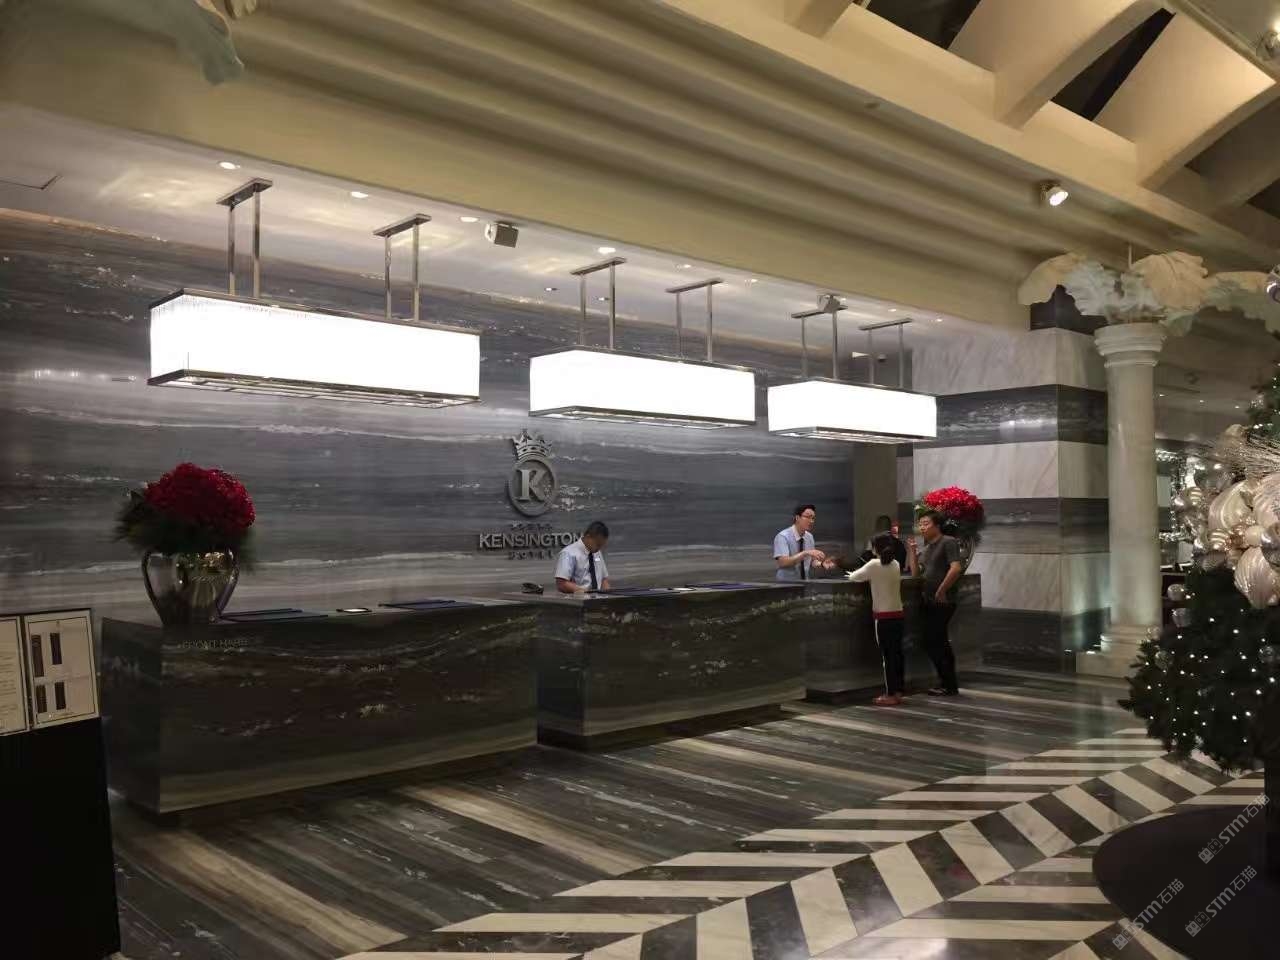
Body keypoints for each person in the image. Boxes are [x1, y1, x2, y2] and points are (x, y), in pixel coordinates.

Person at [847, 532, 910, 706]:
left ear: (876, 547)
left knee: (887, 658)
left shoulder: (874, 564)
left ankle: (890, 694)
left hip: (883, 618)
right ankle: (899, 691)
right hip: (898, 615)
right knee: (897, 655)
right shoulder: (895, 564)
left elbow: (854, 577)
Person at [913, 510, 963, 695]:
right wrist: (912, 552)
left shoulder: (948, 542)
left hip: (943, 600)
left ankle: (948, 684)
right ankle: (947, 683)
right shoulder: (927, 548)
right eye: (920, 524)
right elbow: (916, 574)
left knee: (935, 641)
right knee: (935, 641)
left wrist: (941, 590)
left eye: (926, 523)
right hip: (929, 600)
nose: (922, 527)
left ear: (937, 525)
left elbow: (956, 568)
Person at [774, 504, 828, 581]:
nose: (811, 521)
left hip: (805, 582)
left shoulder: (809, 537)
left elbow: (811, 561)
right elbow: (783, 562)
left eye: (813, 518)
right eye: (808, 517)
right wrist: (805, 553)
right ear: (797, 518)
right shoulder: (783, 536)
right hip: (786, 583)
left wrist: (822, 564)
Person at [555, 520, 611, 594]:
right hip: (577, 598)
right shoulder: (568, 553)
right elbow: (561, 583)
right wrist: (581, 591)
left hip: (597, 598)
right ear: (588, 537)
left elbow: (604, 579)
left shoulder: (597, 552)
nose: (599, 548)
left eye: (601, 545)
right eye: (598, 545)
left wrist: (607, 595)